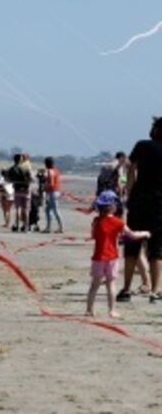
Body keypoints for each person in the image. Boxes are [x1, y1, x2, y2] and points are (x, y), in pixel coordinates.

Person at [88, 191, 150, 318]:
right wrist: (145, 233)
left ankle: (89, 309)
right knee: (111, 284)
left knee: (94, 284)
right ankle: (111, 310)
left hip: (98, 257)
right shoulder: (118, 222)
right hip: (112, 257)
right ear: (113, 206)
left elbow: (93, 235)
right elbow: (132, 235)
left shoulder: (96, 221)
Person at [122, 117, 162, 304]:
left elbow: (131, 169)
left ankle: (126, 289)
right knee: (156, 250)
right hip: (159, 205)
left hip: (139, 201)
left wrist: (130, 193)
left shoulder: (142, 146)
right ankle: (155, 290)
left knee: (132, 247)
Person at [6, 153, 33, 232]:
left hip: (17, 190)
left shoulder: (11, 169)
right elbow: (30, 178)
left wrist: (15, 181)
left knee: (17, 208)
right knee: (26, 209)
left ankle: (17, 225)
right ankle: (26, 227)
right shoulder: (25, 168)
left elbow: (8, 179)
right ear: (20, 160)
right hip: (25, 189)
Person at [43, 156, 64, 233]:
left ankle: (60, 227)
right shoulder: (56, 170)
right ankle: (49, 227)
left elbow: (51, 184)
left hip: (52, 192)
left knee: (55, 210)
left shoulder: (50, 171)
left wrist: (44, 187)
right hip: (56, 191)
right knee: (48, 210)